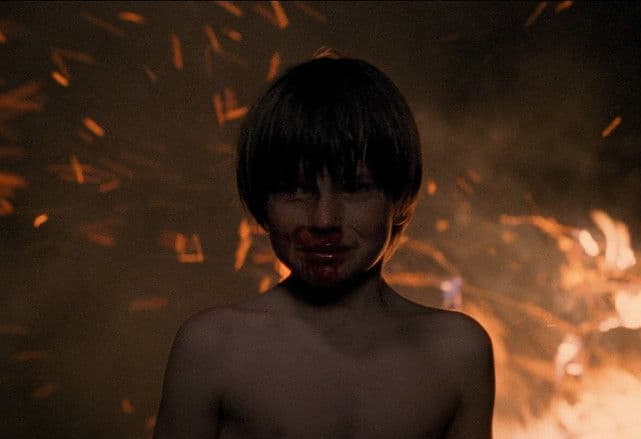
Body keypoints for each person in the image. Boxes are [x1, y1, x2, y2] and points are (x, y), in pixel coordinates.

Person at [154, 54, 495, 438]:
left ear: (398, 197)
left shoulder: (456, 353)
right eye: (295, 190)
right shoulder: (214, 348)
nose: (324, 220)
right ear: (262, 202)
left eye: (356, 188)